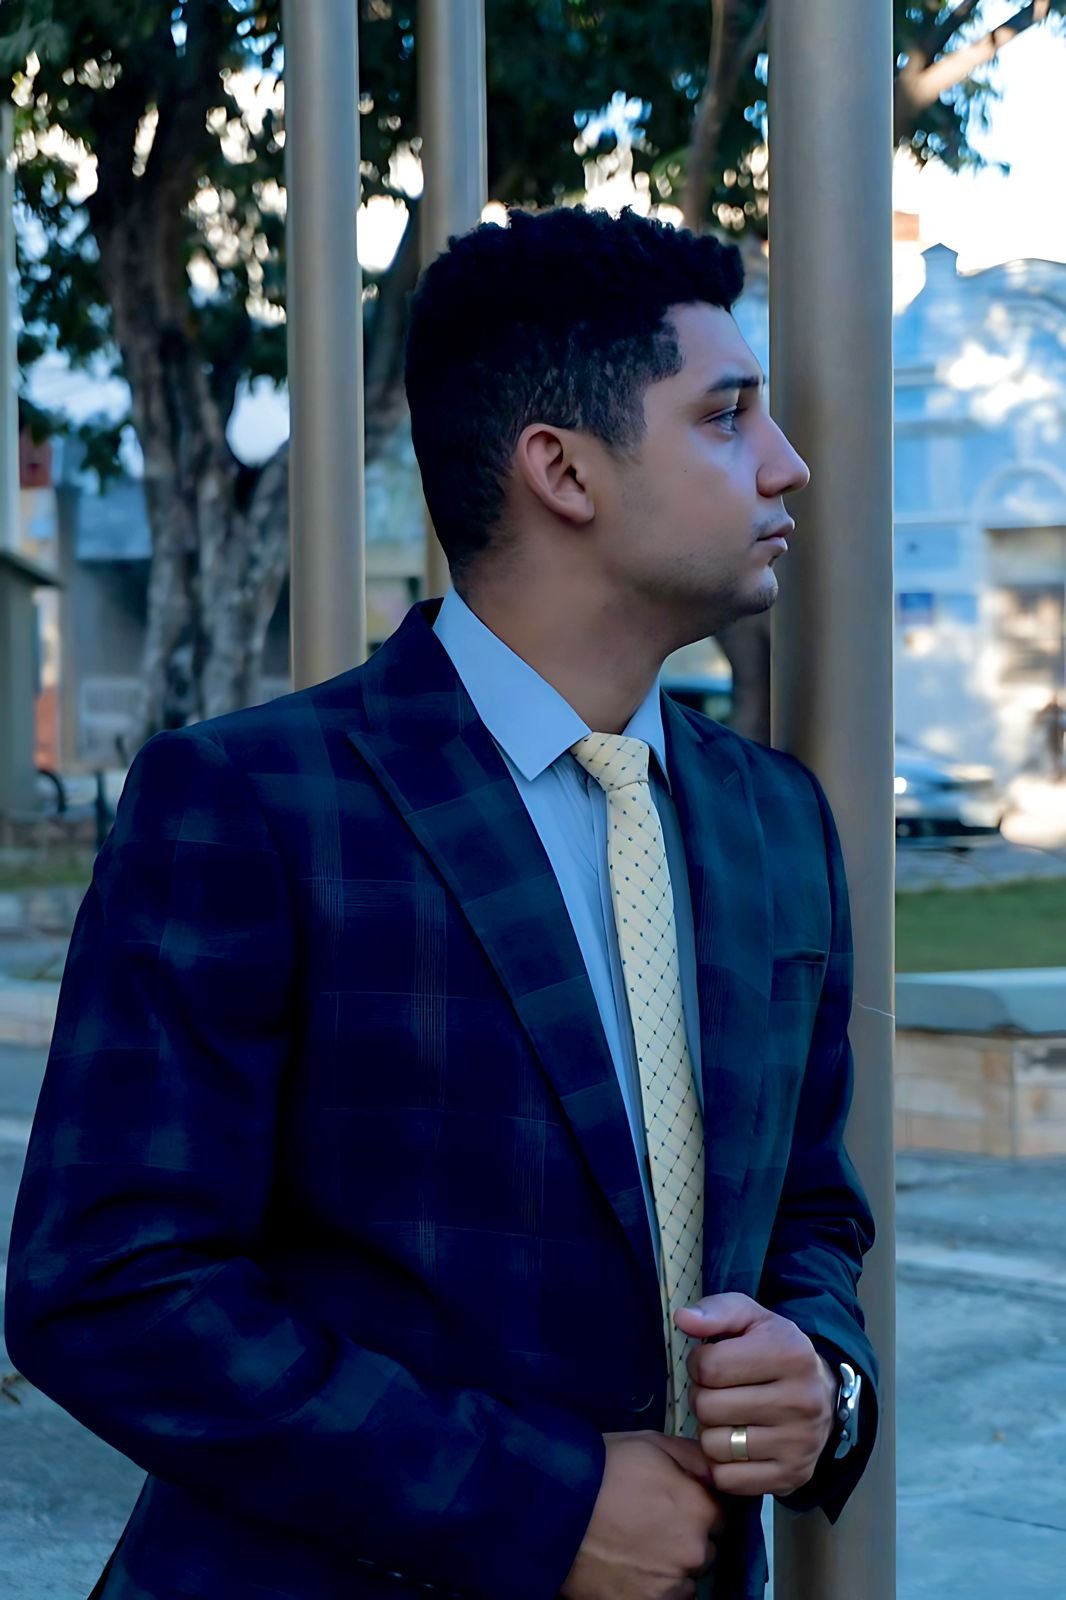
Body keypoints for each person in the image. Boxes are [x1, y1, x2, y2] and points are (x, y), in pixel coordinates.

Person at [6, 205, 878, 1600]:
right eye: (726, 417)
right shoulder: (254, 803)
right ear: (563, 470)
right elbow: (111, 1287)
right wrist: (539, 1505)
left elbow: (810, 1210)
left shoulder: (772, 822)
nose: (786, 463)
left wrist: (821, 1380)